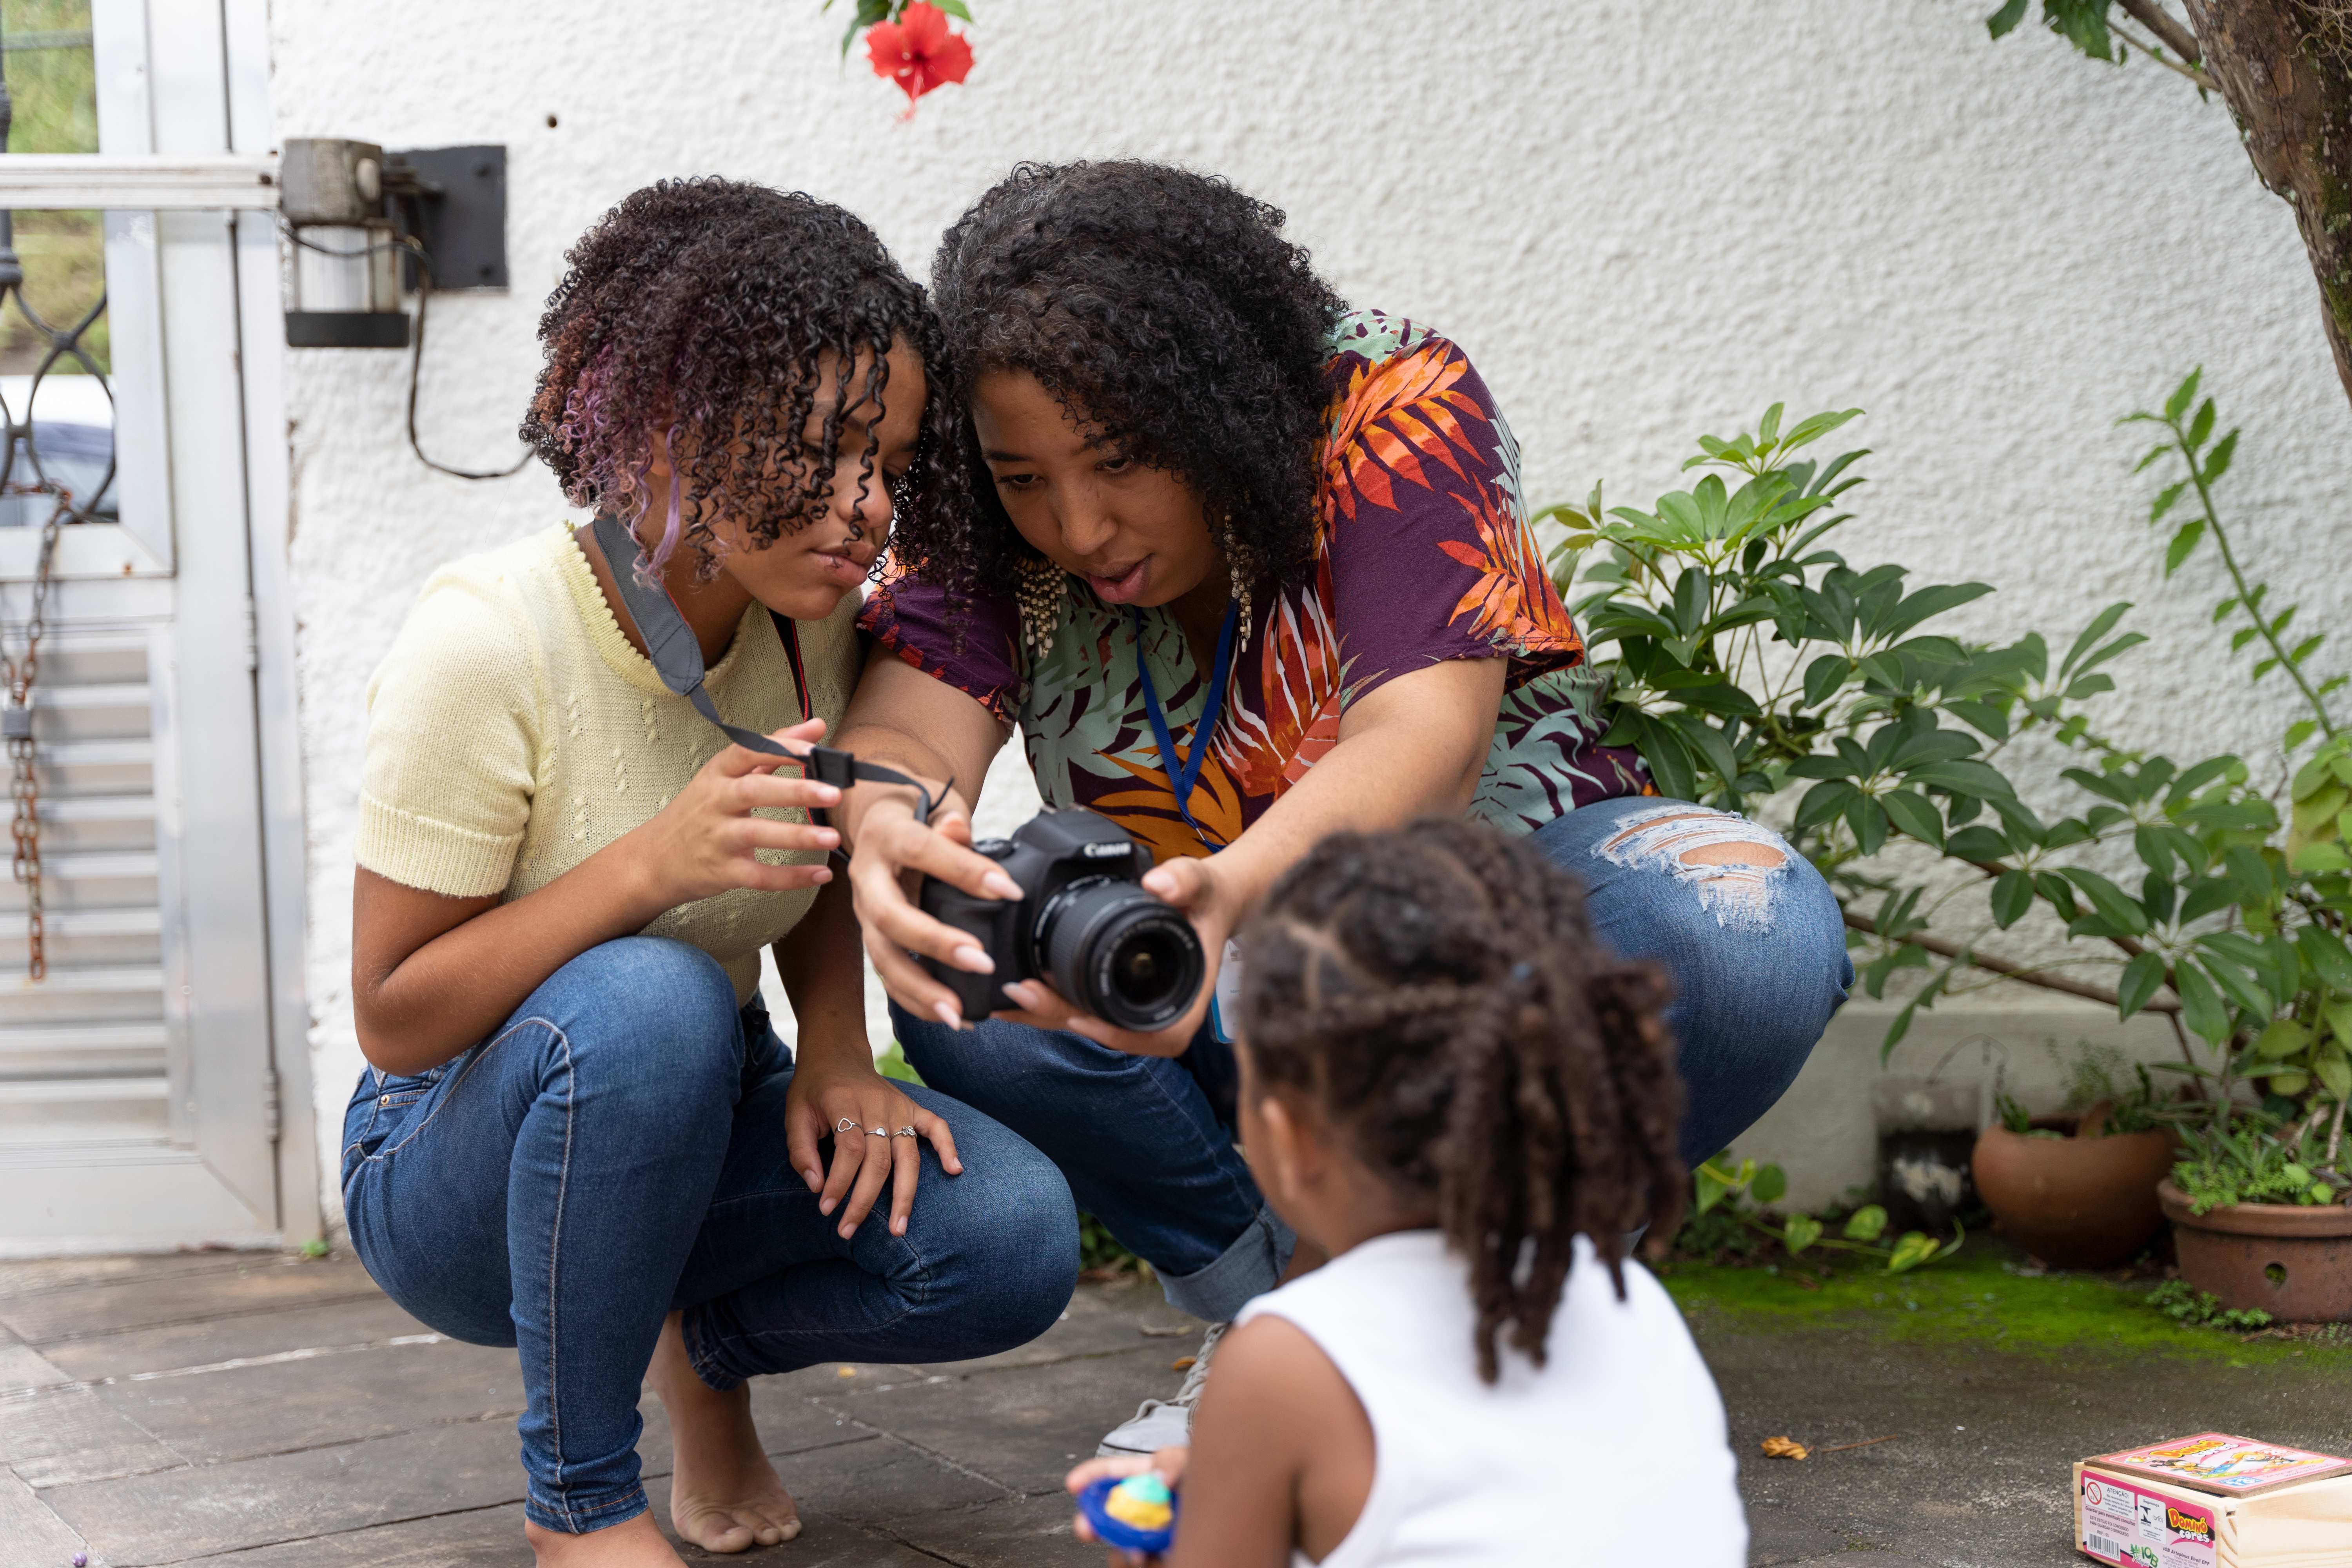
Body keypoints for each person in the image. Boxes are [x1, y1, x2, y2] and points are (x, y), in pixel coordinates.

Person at [832, 158, 1849, 1455]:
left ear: (1219, 398)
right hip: (1194, 975)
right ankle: (1286, 1342)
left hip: (1495, 939)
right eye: (1025, 478)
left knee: (1744, 923)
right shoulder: (989, 504)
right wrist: (884, 833)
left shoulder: (1387, 402)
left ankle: (1461, 1297)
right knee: (963, 939)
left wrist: (1230, 896)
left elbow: (1420, 730)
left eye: (1123, 459)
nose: (1079, 525)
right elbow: (912, 726)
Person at [340, 179, 1076, 1568]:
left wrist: (843, 1052)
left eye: (893, 466)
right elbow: (393, 1015)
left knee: (1010, 1238)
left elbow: (802, 842)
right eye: (829, 448)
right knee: (651, 998)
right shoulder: (488, 643)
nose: (867, 507)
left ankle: (692, 1343)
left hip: (687, 1114)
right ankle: (580, 1502)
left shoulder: (825, 627)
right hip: (450, 1167)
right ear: (671, 416)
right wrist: (644, 868)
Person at [1064, 818, 1747, 1567]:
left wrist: (1166, 1545)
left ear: (1290, 1137)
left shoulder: (1283, 1362)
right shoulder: (1629, 1304)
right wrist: (1242, 1483)